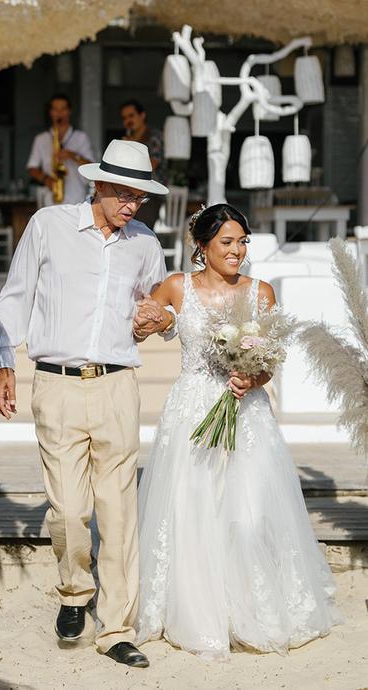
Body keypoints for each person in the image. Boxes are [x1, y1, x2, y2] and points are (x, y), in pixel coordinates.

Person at [0, 139, 175, 668]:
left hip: (118, 386)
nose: (133, 204)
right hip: (57, 384)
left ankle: (116, 627)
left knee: (118, 512)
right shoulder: (48, 225)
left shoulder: (144, 243)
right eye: (125, 193)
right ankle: (75, 591)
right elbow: (16, 295)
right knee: (71, 510)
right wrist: (5, 361)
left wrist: (159, 321)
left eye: (140, 196)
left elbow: (155, 309)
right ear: (98, 184)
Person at [135, 203, 340, 659]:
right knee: (192, 512)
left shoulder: (261, 292)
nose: (237, 251)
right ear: (203, 247)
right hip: (191, 412)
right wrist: (149, 321)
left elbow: (269, 365)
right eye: (227, 242)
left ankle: (254, 611)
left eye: (243, 242)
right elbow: (142, 326)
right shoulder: (175, 286)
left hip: (247, 414)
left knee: (248, 517)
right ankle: (201, 615)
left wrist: (252, 378)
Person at [27, 93, 94, 208]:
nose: (59, 113)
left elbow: (91, 167)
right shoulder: (41, 139)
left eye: (63, 109)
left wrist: (72, 155)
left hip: (76, 199)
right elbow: (32, 168)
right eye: (55, 109)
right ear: (50, 112)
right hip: (50, 200)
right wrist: (46, 179)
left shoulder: (80, 137)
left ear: (69, 111)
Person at [120, 99, 166, 229]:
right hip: (129, 192)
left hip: (150, 194)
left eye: (131, 116)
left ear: (142, 115)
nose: (128, 121)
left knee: (140, 230)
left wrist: (133, 146)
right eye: (124, 118)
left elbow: (153, 164)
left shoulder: (154, 136)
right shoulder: (128, 139)